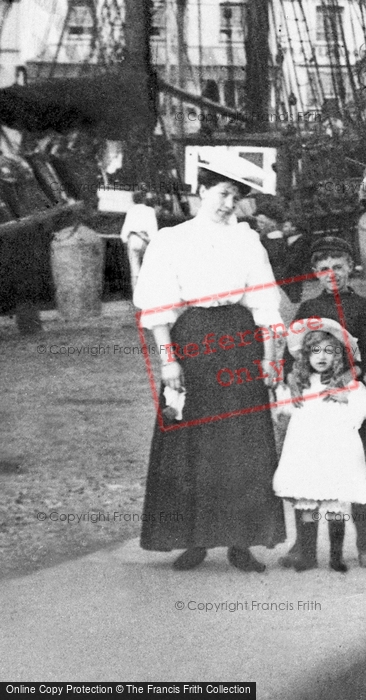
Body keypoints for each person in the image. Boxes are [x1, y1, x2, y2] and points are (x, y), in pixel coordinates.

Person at [133, 153, 286, 572]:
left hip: (240, 340)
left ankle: (242, 541)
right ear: (200, 191)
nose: (227, 205)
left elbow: (265, 303)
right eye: (222, 194)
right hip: (193, 340)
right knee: (189, 441)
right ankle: (192, 539)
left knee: (242, 440)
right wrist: (169, 364)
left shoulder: (246, 240)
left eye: (235, 197)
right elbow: (158, 309)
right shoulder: (171, 240)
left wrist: (271, 357)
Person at [283, 236, 366, 567]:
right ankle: (303, 545)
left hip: (346, 395)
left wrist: (347, 376)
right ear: (315, 273)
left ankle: (364, 543)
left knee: (354, 467)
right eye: (324, 269)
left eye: (338, 267)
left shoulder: (365, 307)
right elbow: (292, 351)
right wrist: (293, 380)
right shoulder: (309, 309)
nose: (332, 274)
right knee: (307, 469)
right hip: (311, 398)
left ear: (350, 267)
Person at [274, 320, 366, 572]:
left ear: (338, 356)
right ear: (305, 356)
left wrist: (346, 400)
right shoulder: (301, 384)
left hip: (336, 451)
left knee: (336, 500)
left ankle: (341, 554)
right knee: (307, 498)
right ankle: (307, 553)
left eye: (328, 352)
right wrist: (282, 391)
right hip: (307, 451)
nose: (321, 357)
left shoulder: (348, 384)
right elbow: (282, 409)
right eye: (315, 352)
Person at [120, 190, 158, 291]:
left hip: (133, 239)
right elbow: (153, 228)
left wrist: (124, 239)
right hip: (145, 240)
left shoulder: (131, 210)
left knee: (135, 269)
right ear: (144, 198)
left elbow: (125, 229)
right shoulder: (150, 210)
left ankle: (136, 295)